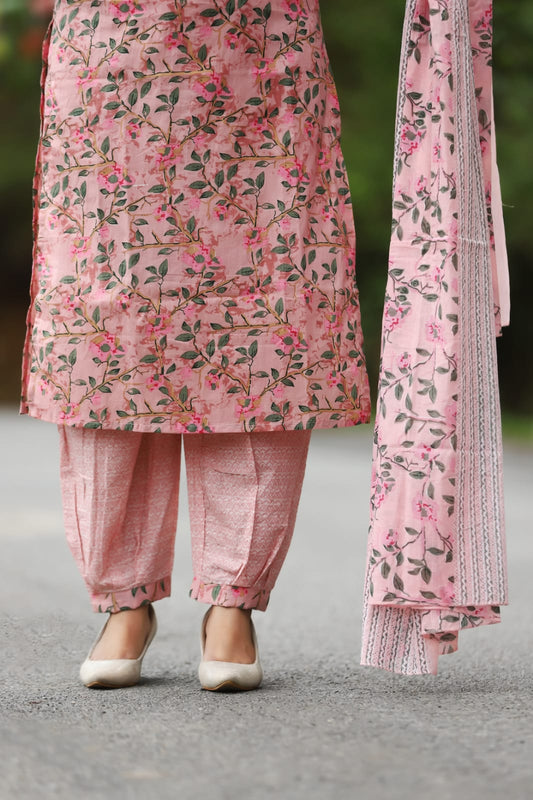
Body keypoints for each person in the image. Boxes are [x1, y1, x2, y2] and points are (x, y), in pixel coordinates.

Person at [22, 0, 371, 690]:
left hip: (259, 48)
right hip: (112, 54)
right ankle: (123, 598)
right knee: (108, 330)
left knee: (259, 322)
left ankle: (231, 602)